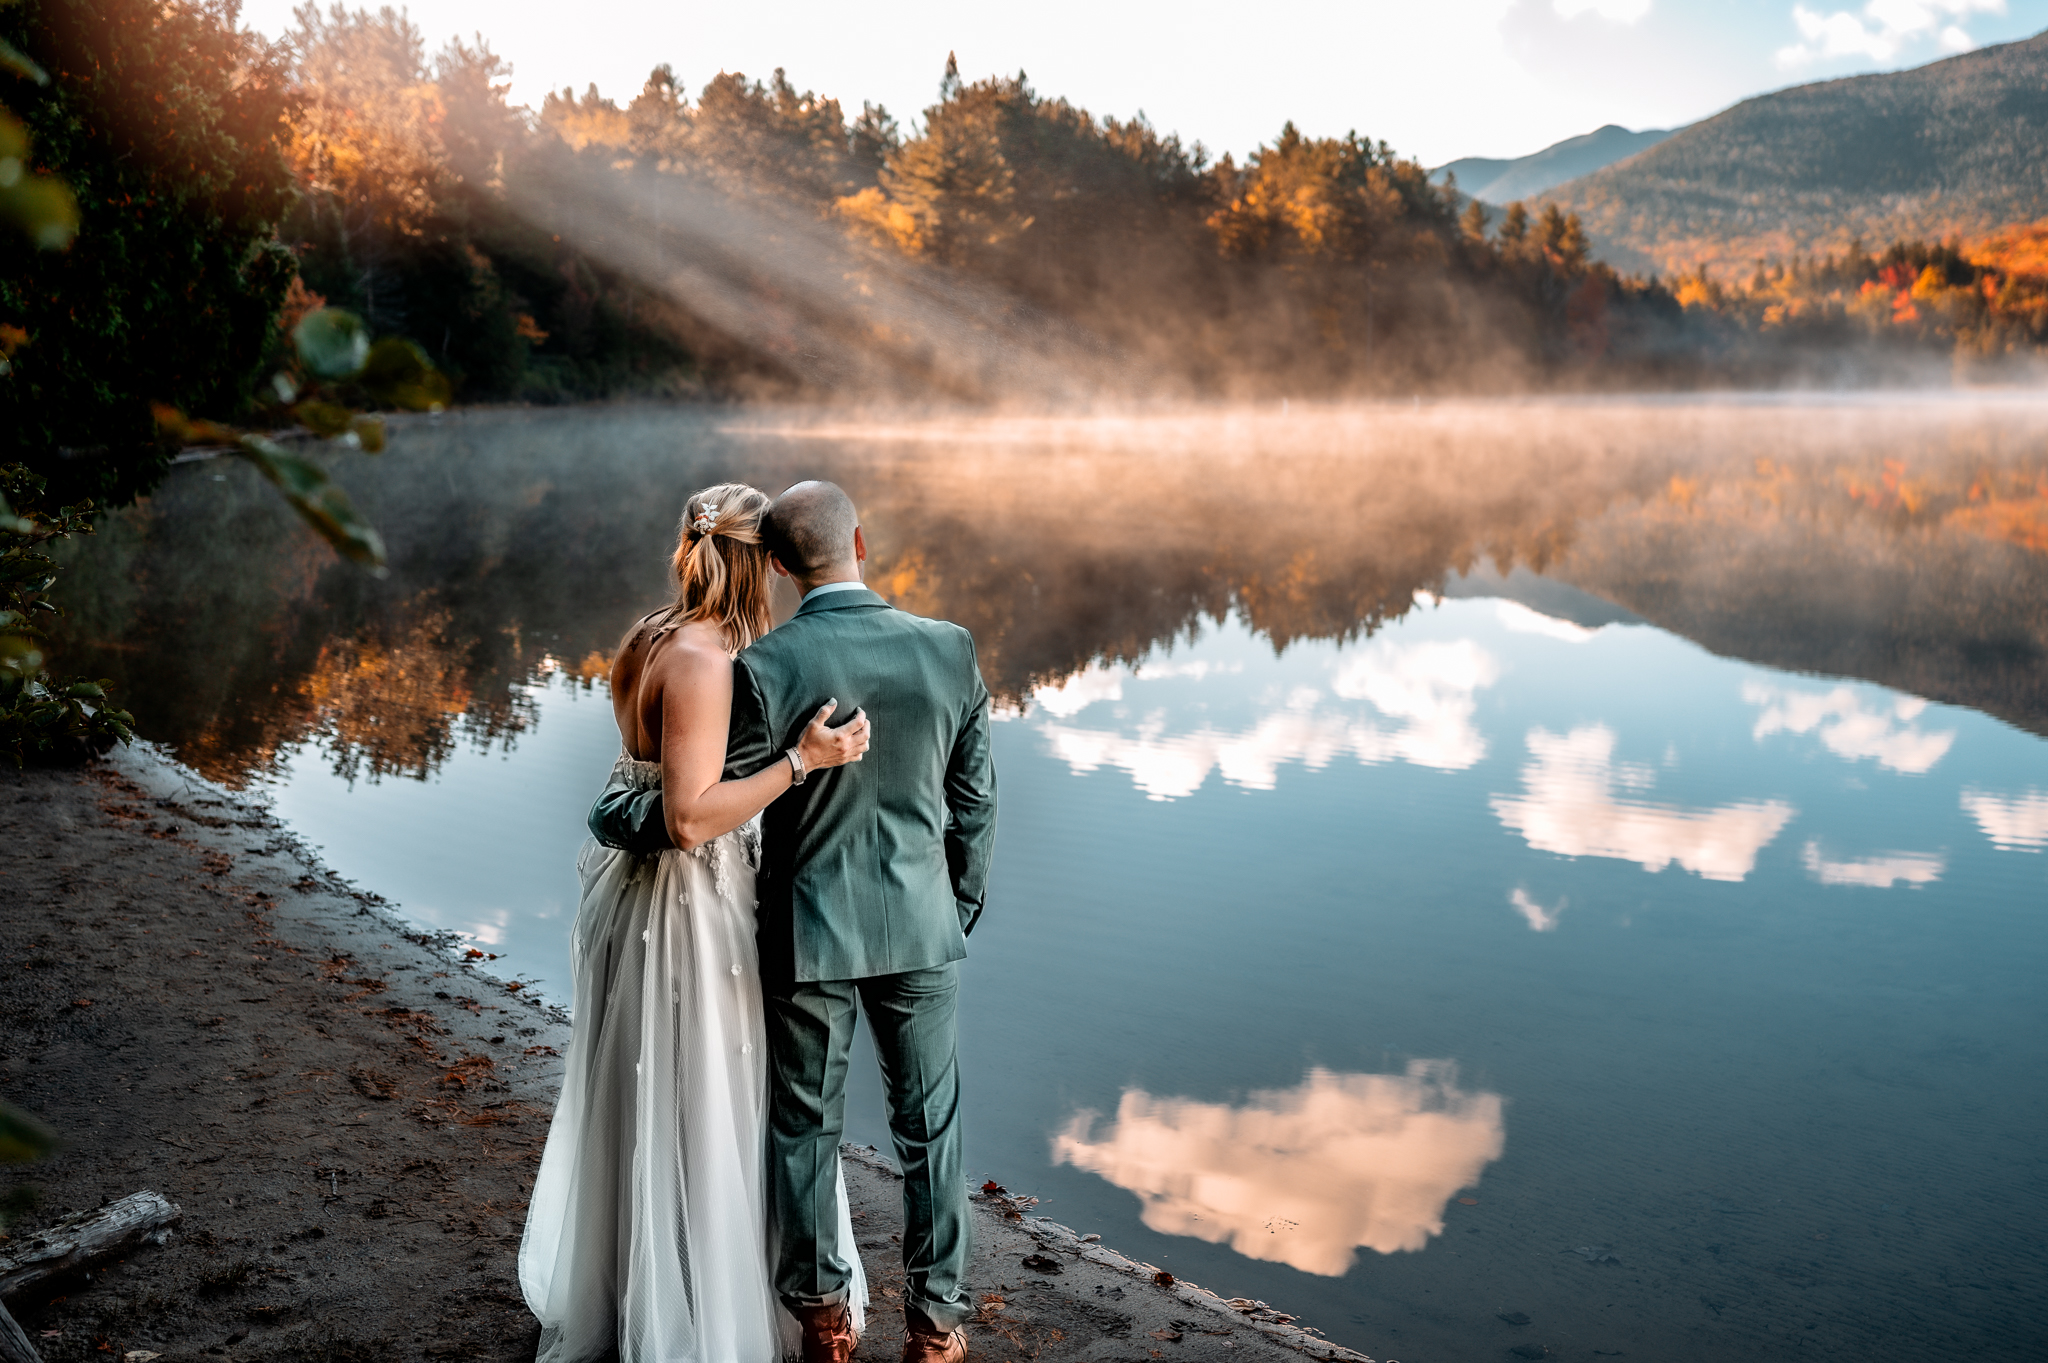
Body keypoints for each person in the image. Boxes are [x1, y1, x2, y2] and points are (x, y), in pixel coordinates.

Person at [592, 480, 998, 1363]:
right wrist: (955, 907)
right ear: (862, 541)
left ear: (778, 562)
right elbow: (974, 804)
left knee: (805, 1123)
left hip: (805, 925)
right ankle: (934, 1327)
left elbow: (688, 805)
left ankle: (824, 1322)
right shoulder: (950, 648)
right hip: (923, 926)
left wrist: (612, 816)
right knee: (931, 1127)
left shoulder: (764, 666)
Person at [518, 482, 874, 1363]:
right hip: (686, 901)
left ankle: (638, 1280)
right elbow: (687, 817)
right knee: (713, 1085)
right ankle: (698, 1306)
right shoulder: (706, 658)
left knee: (647, 1085)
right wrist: (803, 760)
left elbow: (634, 785)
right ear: (763, 562)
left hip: (626, 895)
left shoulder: (649, 633)